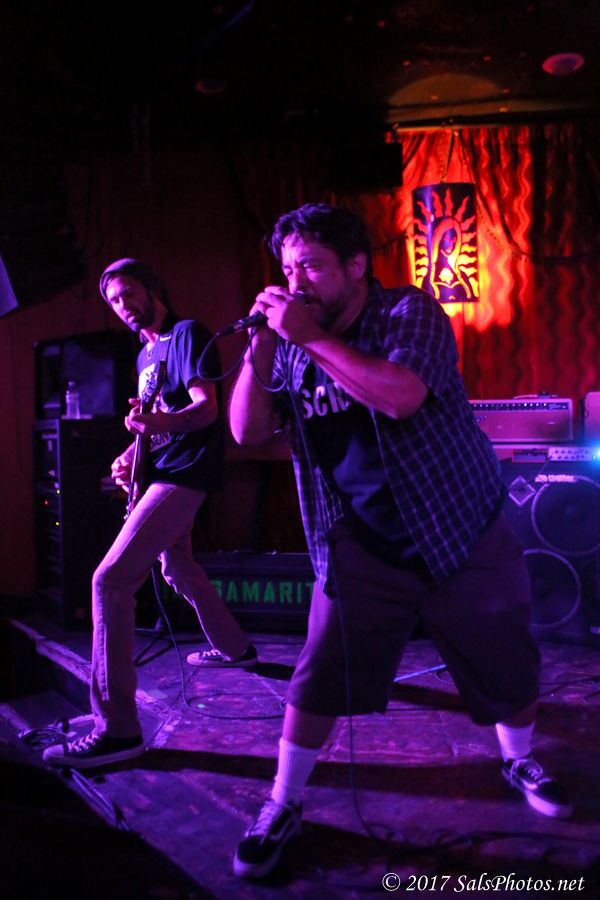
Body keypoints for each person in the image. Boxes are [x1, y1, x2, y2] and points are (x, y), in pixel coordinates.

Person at [228, 204, 572, 879]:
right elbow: (245, 431)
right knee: (319, 673)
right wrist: (263, 346)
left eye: (312, 266)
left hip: (459, 525)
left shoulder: (408, 314)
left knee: (506, 660)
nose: (296, 282)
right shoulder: (291, 341)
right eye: (288, 269)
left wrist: (308, 338)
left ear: (356, 266)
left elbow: (400, 396)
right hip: (360, 539)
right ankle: (283, 802)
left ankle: (519, 758)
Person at [43, 258, 256, 769]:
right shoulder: (144, 355)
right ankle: (236, 648)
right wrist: (129, 455)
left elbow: (206, 409)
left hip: (185, 476)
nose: (122, 306)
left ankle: (116, 729)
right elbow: (156, 427)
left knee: (110, 580)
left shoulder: (186, 335)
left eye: (128, 294)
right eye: (114, 301)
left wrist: (156, 423)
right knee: (178, 567)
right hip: (162, 471)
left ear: (151, 288)